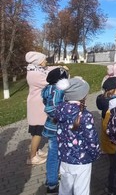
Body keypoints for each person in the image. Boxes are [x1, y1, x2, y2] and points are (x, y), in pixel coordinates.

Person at [55, 77, 100, 195]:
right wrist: (95, 154)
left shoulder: (60, 110)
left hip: (64, 158)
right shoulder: (85, 115)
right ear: (82, 95)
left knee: (65, 189)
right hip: (82, 160)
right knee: (82, 190)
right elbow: (92, 139)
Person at [41, 66, 69, 194]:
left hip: (52, 127)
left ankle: (55, 176)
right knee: (54, 155)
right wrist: (61, 118)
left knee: (56, 153)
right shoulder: (57, 90)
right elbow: (50, 108)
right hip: (56, 128)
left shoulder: (48, 89)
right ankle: (52, 183)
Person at [25, 51, 54, 165]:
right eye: (44, 60)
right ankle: (32, 157)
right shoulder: (35, 75)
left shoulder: (36, 70)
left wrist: (59, 67)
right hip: (37, 106)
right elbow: (49, 81)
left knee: (37, 130)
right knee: (38, 131)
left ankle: (36, 151)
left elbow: (47, 70)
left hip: (37, 104)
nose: (46, 61)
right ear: (38, 62)